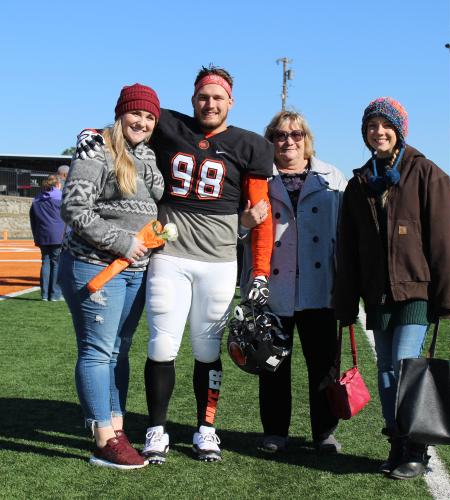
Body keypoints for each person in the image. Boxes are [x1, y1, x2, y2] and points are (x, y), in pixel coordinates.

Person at [76, 66, 274, 463]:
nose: (210, 103)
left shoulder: (250, 145)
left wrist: (260, 271)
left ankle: (206, 428)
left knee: (206, 349)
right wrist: (91, 134)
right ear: (193, 99)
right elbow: (128, 118)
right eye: (204, 96)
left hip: (218, 262)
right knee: (162, 344)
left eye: (218, 97)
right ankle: (156, 429)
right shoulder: (168, 125)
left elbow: (261, 213)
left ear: (231, 102)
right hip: (169, 256)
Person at [333, 97, 450, 480]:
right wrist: (345, 301)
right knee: (387, 371)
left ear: (400, 129)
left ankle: (415, 448)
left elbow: (447, 241)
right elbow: (349, 247)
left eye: (385, 125)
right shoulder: (359, 183)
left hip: (416, 292)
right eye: (371, 126)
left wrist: (449, 296)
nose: (378, 132)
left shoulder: (427, 174)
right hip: (378, 295)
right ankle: (395, 442)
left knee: (407, 366)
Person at [59, 83, 164, 469]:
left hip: (135, 270)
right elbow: (73, 208)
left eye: (150, 116)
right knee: (97, 350)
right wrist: (120, 241)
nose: (142, 121)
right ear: (121, 113)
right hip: (95, 266)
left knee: (118, 351)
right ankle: (102, 437)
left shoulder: (147, 154)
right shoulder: (96, 150)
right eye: (136, 113)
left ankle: (117, 428)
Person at [240, 110, 347, 453]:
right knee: (272, 364)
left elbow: (346, 233)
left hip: (320, 288)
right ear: (269, 141)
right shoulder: (256, 179)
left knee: (324, 367)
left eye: (296, 134)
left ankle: (324, 433)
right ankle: (274, 431)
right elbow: (236, 231)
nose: (289, 141)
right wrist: (243, 222)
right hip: (272, 288)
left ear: (307, 139)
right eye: (281, 135)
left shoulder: (332, 177)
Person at [29, 174, 65, 301]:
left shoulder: (37, 199)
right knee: (56, 263)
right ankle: (54, 294)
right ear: (57, 184)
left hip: (42, 235)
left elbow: (32, 220)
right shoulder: (61, 197)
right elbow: (68, 217)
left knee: (45, 262)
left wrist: (36, 236)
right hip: (59, 235)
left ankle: (44, 294)